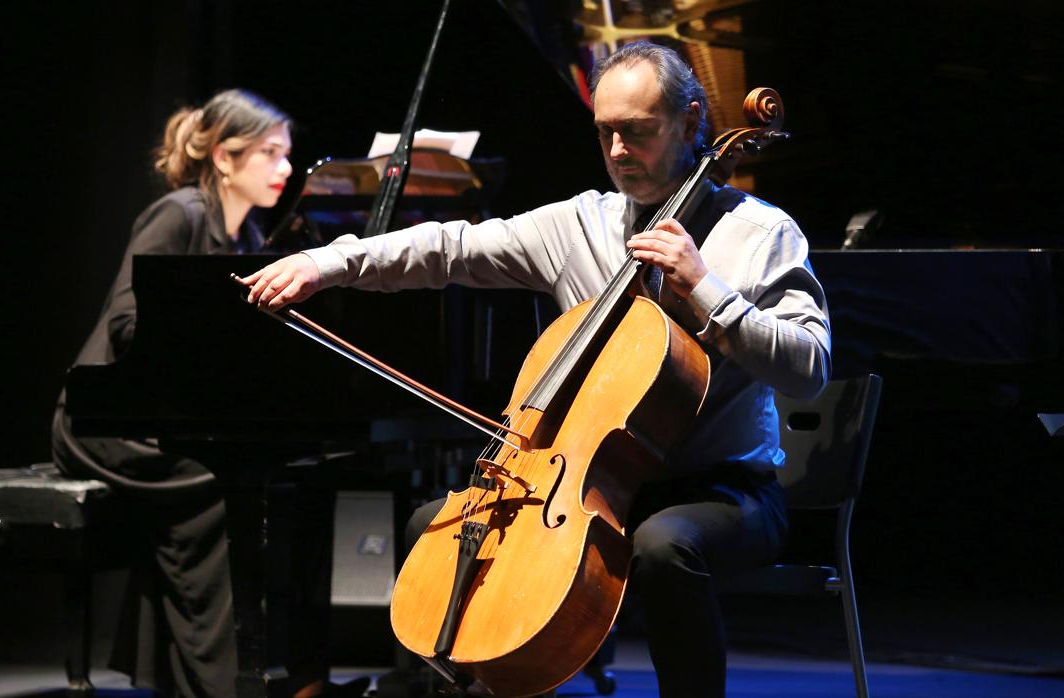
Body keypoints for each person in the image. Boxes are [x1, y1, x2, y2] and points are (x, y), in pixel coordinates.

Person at [243, 42, 830, 698]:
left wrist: (703, 285)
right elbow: (448, 246)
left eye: (636, 132)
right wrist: (330, 263)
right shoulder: (577, 224)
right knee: (432, 526)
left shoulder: (760, 233)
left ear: (692, 124)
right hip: (586, 485)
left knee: (666, 546)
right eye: (604, 132)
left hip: (721, 488)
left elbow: (808, 367)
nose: (615, 151)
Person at [52, 89, 367, 698]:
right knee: (224, 491)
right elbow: (126, 321)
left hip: (174, 420)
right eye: (271, 154)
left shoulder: (247, 230)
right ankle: (222, 684)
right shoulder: (180, 213)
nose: (285, 169)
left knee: (279, 482)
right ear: (225, 157)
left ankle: (282, 676)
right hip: (105, 425)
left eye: (287, 155)